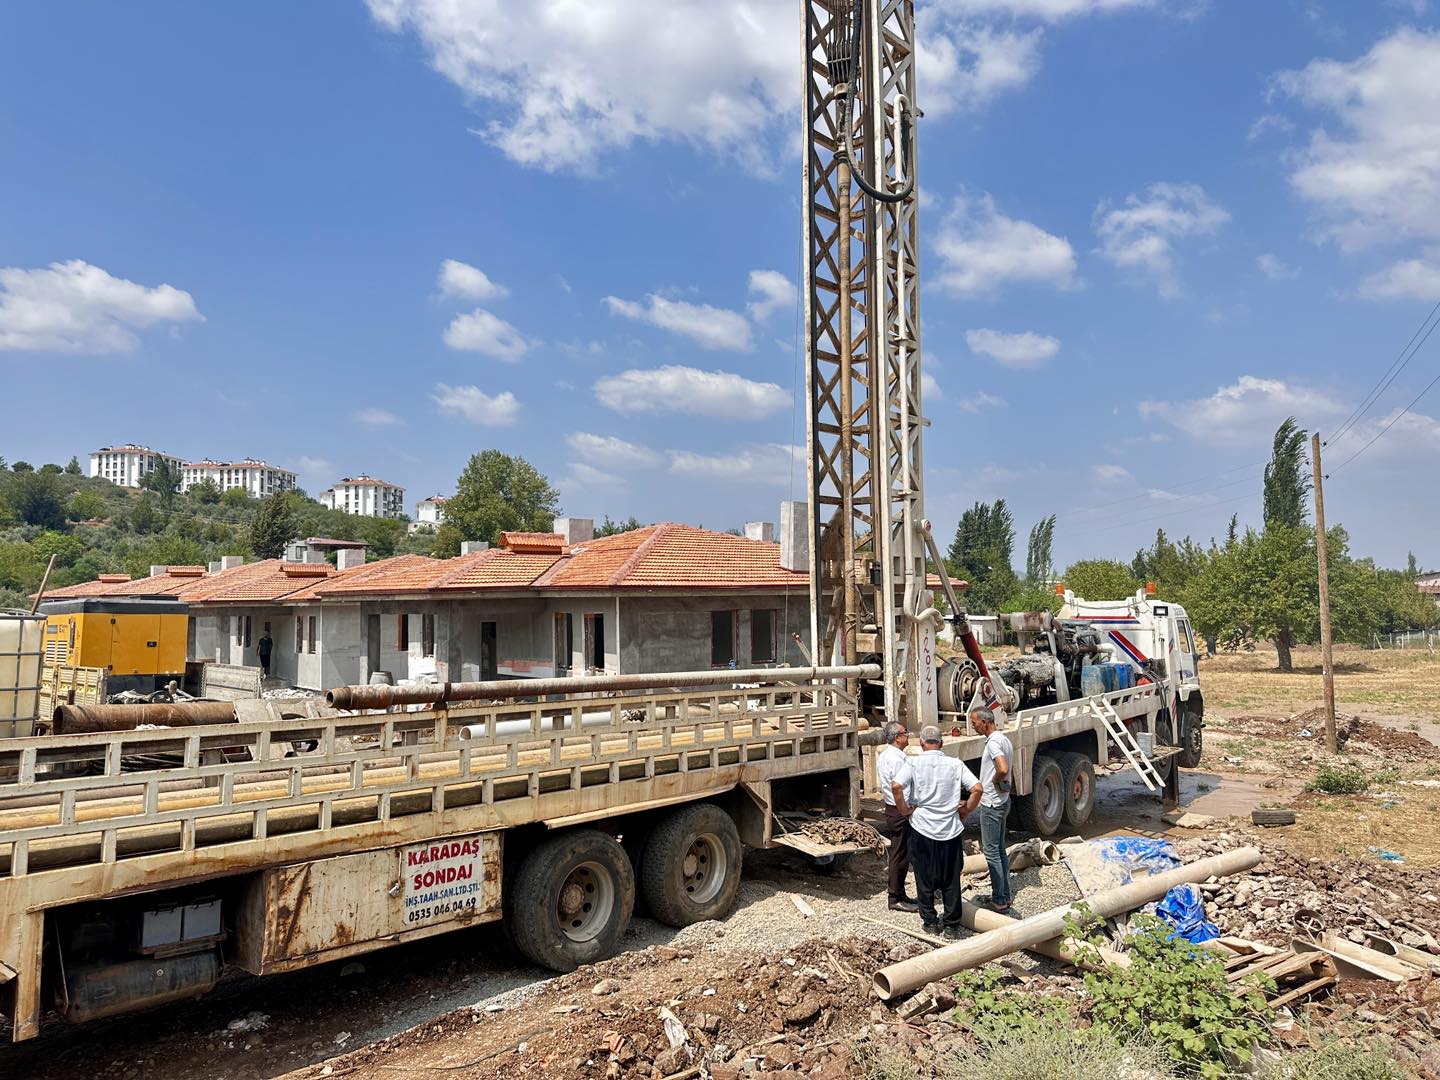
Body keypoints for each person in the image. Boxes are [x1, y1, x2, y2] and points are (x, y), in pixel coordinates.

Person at [891, 725, 982, 938]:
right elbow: (977, 789)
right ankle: (951, 925)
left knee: (924, 877)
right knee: (951, 879)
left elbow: (896, 786)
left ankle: (930, 921)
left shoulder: (912, 763)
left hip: (922, 827)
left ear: (922, 743)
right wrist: (966, 811)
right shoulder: (955, 764)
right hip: (949, 828)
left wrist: (905, 810)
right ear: (941, 743)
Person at [970, 706, 1014, 912]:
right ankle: (1005, 894)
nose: (973, 725)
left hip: (992, 803)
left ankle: (999, 899)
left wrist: (993, 782)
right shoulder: (1003, 739)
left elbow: (1003, 768)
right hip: (1003, 801)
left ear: (985, 722)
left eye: (974, 722)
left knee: (991, 852)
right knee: (999, 850)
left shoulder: (994, 742)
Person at [875, 722, 917, 912]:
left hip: (893, 808)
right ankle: (894, 897)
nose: (907, 736)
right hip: (899, 810)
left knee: (902, 852)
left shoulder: (885, 755)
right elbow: (899, 788)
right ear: (897, 737)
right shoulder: (897, 759)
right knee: (899, 854)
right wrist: (907, 809)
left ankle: (900, 893)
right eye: (905, 733)